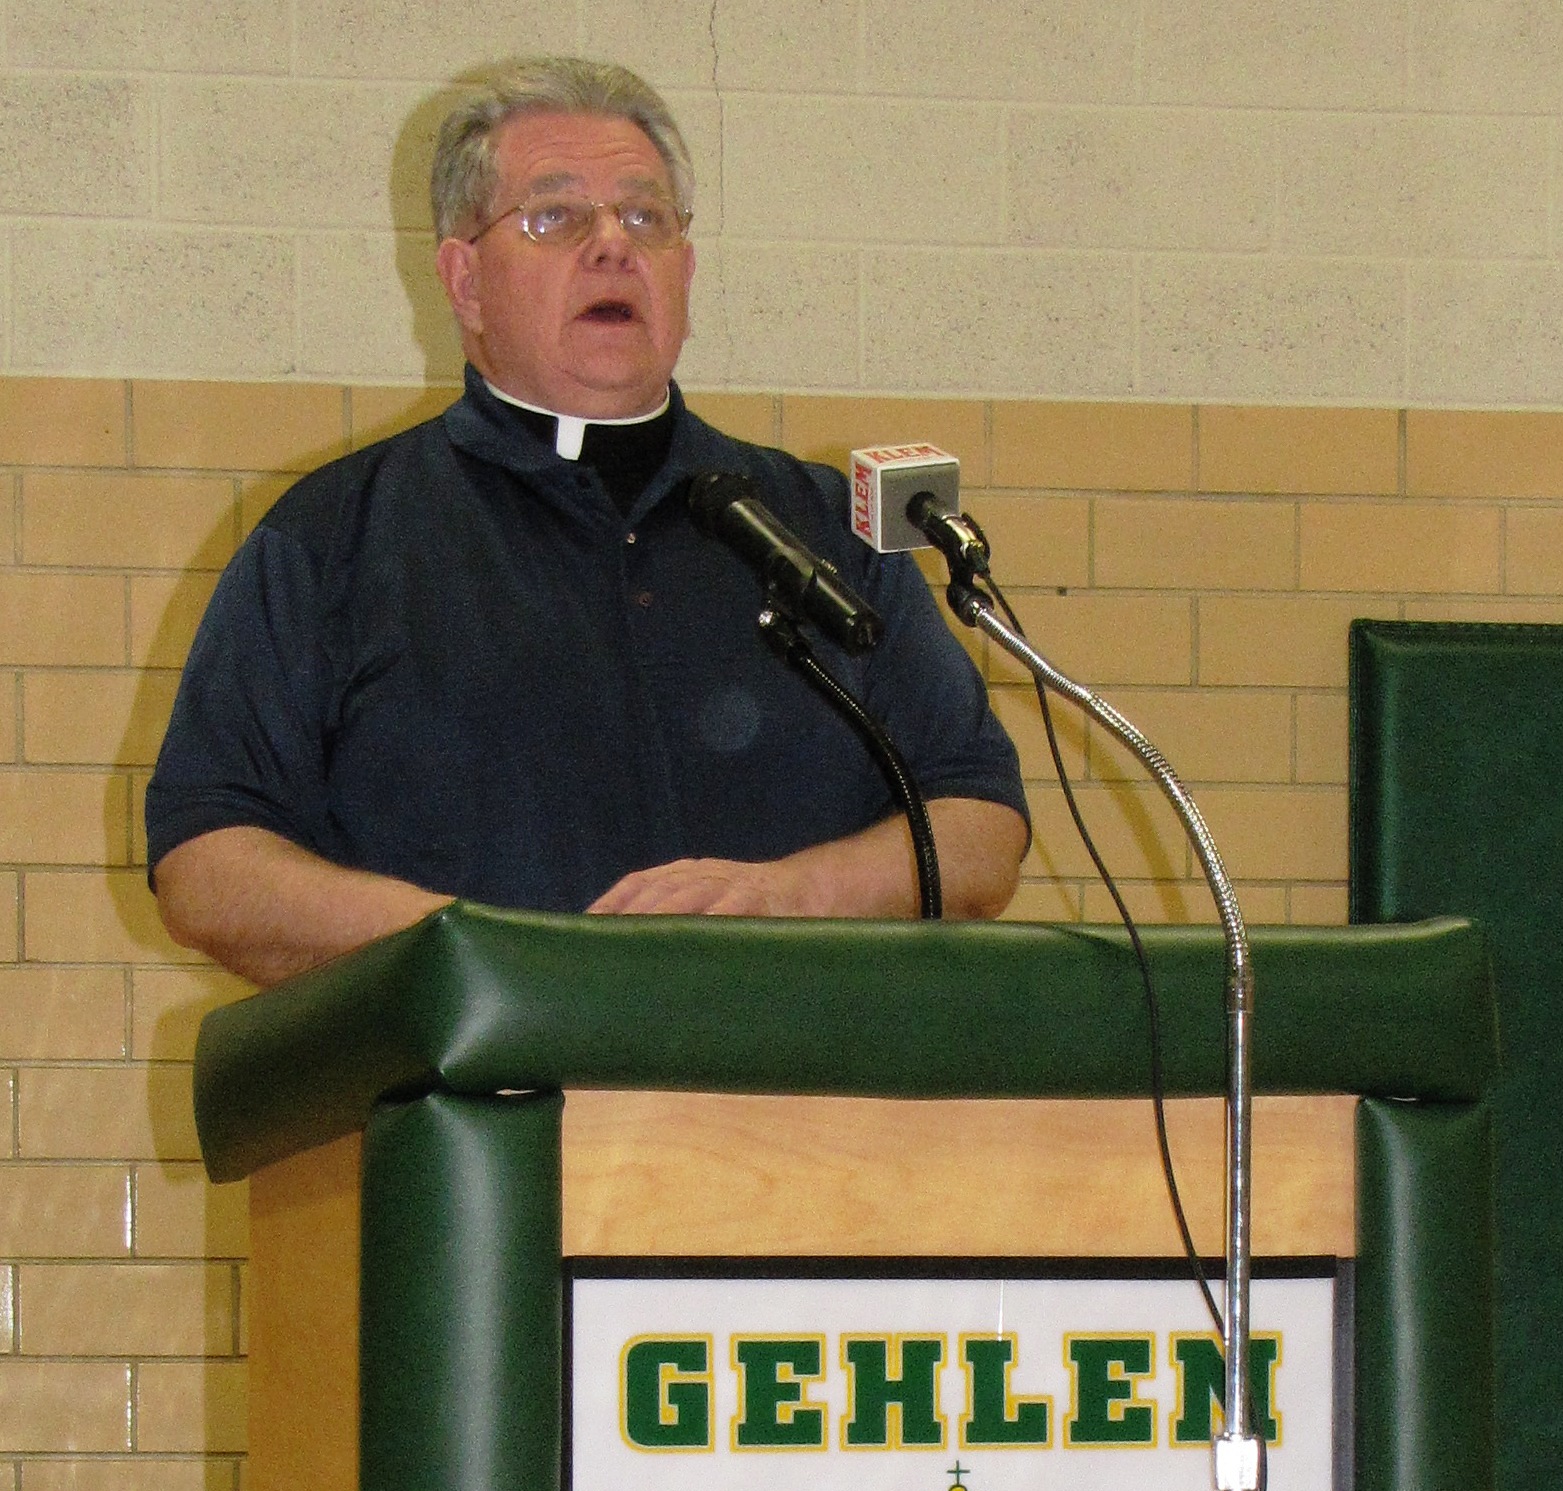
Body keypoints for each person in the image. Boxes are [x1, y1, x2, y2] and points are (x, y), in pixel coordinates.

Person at [147, 58, 1029, 988]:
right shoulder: (333, 539)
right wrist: (481, 950)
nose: (612, 246)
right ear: (464, 281)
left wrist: (791, 895)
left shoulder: (815, 530)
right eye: (555, 217)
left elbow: (980, 828)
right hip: (482, 1105)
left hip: (807, 1106)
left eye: (645, 217)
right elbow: (206, 865)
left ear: (684, 270)